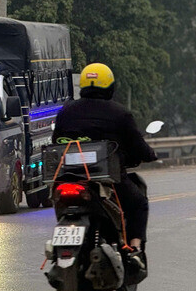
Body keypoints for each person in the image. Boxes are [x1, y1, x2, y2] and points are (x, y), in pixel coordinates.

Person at [52, 63, 157, 270]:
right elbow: (138, 146)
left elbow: (57, 141)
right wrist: (149, 154)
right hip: (107, 180)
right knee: (138, 204)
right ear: (109, 87)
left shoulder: (66, 111)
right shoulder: (120, 114)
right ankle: (135, 250)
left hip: (67, 178)